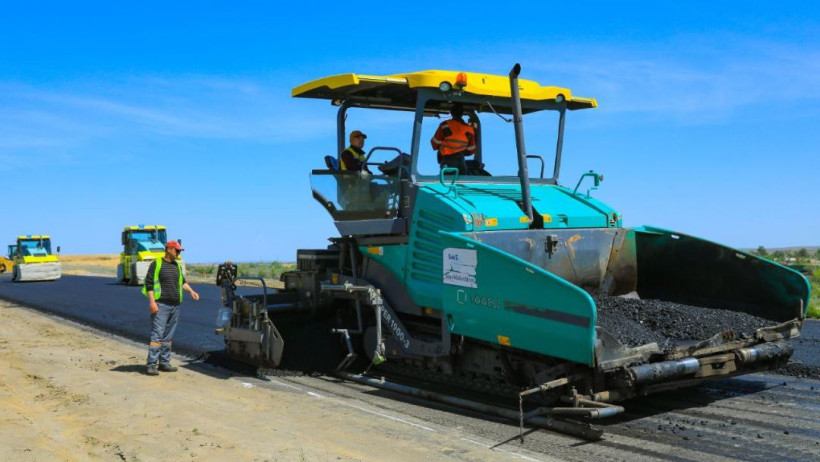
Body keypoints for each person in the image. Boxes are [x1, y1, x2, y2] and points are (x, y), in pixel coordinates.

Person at [142, 240, 200, 376]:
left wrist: (191, 291)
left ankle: (164, 363)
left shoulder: (176, 266)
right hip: (161, 305)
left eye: (179, 251)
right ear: (169, 249)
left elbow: (182, 282)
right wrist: (152, 302)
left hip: (175, 305)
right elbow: (149, 285)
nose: (178, 253)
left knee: (168, 336)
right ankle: (151, 364)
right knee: (157, 334)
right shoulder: (157, 264)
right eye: (177, 250)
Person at [430, 103, 476, 175]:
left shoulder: (445, 124)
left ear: (451, 113)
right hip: (461, 162)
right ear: (462, 114)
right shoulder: (469, 129)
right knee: (462, 182)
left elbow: (435, 143)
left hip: (448, 160)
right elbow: (471, 150)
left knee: (447, 183)